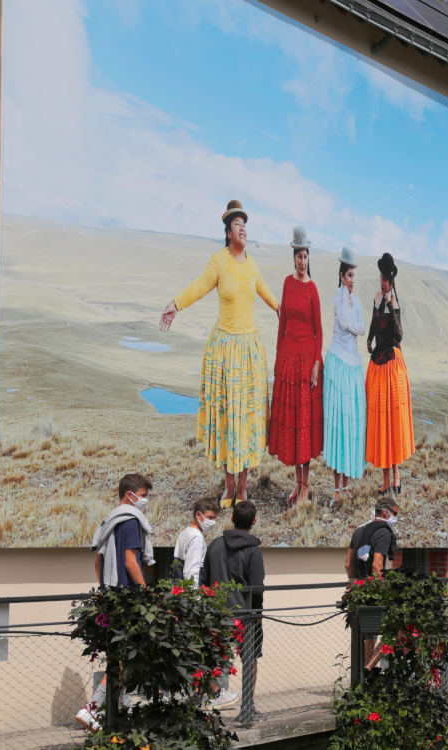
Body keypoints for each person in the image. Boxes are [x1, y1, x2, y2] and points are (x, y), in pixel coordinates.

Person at [159, 200, 279, 507]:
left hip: (249, 351)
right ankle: (228, 487)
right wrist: (176, 303)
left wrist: (285, 311)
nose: (243, 228)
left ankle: (243, 488)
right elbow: (200, 286)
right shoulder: (219, 261)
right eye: (237, 224)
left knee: (247, 420)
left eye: (245, 224)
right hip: (225, 351)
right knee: (229, 419)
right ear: (228, 232)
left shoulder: (252, 264)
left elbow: (266, 292)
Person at [76, 473, 154, 731]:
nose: (145, 501)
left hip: (110, 597)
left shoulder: (108, 519)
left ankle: (120, 706)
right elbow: (130, 561)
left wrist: (106, 588)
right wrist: (145, 593)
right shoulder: (131, 520)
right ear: (129, 495)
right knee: (125, 658)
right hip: (128, 598)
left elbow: (98, 562)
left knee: (118, 655)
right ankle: (92, 709)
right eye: (143, 496)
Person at [268, 226, 324, 503]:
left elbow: (319, 330)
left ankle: (305, 487)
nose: (302, 261)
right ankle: (298, 484)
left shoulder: (312, 288)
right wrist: (278, 357)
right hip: (289, 359)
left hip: (306, 361)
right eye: (298, 255)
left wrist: (316, 363)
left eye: (305, 256)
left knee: (304, 425)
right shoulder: (287, 284)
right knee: (292, 424)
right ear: (293, 257)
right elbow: (283, 323)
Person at [202, 499, 265, 722]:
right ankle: (248, 706)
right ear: (254, 522)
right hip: (246, 615)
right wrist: (257, 615)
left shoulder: (215, 545)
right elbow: (257, 587)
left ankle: (211, 697)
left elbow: (205, 580)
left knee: (215, 655)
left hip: (217, 612)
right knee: (251, 658)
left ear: (231, 519)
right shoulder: (253, 550)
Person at [365, 252, 414, 495]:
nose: (382, 283)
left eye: (385, 280)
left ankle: (396, 475)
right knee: (381, 422)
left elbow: (399, 335)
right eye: (381, 278)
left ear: (391, 282)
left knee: (391, 423)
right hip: (378, 365)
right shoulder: (376, 298)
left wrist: (392, 305)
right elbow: (374, 323)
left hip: (391, 366)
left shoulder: (394, 302)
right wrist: (369, 339)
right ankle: (385, 479)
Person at [323, 247, 367, 504]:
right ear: (342, 276)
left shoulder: (357, 301)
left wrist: (353, 327)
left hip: (352, 365)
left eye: (353, 275)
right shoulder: (338, 296)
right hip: (338, 362)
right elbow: (343, 322)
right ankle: (336, 486)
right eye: (349, 275)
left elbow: (362, 328)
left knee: (351, 423)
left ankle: (347, 484)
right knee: (338, 422)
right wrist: (353, 327)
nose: (352, 279)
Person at [345, 498, 398, 669]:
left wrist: (356, 585)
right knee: (396, 628)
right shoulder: (383, 532)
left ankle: (363, 675)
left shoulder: (359, 531)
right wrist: (382, 593)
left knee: (367, 635)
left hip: (358, 592)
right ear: (386, 512)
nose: (395, 518)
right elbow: (377, 565)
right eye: (395, 514)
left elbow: (348, 564)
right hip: (373, 592)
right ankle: (367, 672)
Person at [173, 497, 219, 587]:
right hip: (191, 593)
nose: (213, 522)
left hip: (180, 587)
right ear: (198, 514)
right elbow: (192, 570)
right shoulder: (196, 536)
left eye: (214, 518)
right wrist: (194, 597)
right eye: (210, 517)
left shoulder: (185, 532)